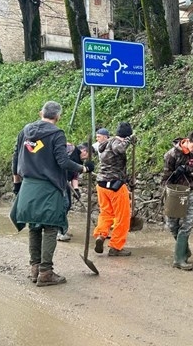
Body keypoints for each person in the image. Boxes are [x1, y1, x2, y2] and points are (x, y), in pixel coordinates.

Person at [10, 101, 95, 287]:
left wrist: (17, 185)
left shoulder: (25, 131)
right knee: (50, 227)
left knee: (33, 226)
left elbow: (16, 158)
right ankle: (46, 272)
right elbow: (63, 161)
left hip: (27, 186)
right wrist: (84, 168)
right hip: (48, 188)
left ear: (41, 113)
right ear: (57, 117)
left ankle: (35, 268)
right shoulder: (56, 134)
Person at [162, 130, 193, 271]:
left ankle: (179, 260)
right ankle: (183, 250)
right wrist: (175, 173)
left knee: (186, 225)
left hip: (189, 191)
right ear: (187, 141)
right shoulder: (171, 155)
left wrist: (187, 168)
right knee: (172, 225)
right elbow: (165, 178)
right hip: (174, 192)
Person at [93, 122, 135, 256]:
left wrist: (128, 180)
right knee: (123, 217)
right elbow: (120, 149)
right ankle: (116, 247)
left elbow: (117, 166)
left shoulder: (106, 143)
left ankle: (101, 235)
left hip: (101, 184)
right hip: (115, 186)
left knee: (106, 213)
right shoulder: (117, 142)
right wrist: (129, 140)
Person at [57, 142, 89, 242]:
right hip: (58, 180)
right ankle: (59, 232)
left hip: (66, 182)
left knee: (68, 204)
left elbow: (74, 175)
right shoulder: (69, 148)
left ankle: (62, 229)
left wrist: (76, 189)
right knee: (63, 205)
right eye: (88, 155)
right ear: (84, 151)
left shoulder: (79, 161)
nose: (87, 158)